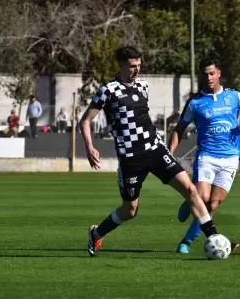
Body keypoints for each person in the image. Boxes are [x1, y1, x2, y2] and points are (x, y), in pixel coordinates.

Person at [80, 45, 221, 257]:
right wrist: (90, 147)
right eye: (132, 66)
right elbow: (85, 121)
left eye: (139, 65)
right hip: (131, 159)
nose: (137, 70)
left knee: (191, 190)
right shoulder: (107, 91)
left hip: (155, 149)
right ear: (121, 66)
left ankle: (214, 238)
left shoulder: (143, 87)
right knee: (130, 211)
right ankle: (97, 233)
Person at [168, 55, 240, 254]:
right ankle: (192, 200)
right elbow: (179, 129)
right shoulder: (195, 102)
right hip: (207, 156)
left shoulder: (233, 96)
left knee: (213, 203)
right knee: (202, 198)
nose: (209, 78)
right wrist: (169, 155)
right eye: (205, 75)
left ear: (219, 73)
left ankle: (185, 242)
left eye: (212, 73)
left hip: (230, 159)